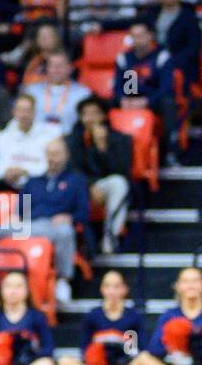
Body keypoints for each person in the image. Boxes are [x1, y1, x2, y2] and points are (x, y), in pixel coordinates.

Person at [15, 138, 90, 303]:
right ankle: (1, 272)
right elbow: (20, 210)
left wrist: (70, 217)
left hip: (55, 226)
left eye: (56, 154)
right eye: (49, 154)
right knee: (0, 229)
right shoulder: (33, 181)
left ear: (66, 155)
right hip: (31, 225)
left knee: (65, 231)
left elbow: (84, 213)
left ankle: (63, 280)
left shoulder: (76, 180)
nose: (52, 158)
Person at [57, 269, 143, 365]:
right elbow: (84, 349)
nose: (112, 291)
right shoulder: (92, 316)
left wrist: (120, 360)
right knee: (64, 362)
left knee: (141, 364)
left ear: (125, 289)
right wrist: (97, 359)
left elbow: (136, 351)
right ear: (102, 289)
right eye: (107, 286)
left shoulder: (133, 317)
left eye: (116, 286)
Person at [128, 266, 202, 365]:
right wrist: (173, 340)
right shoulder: (169, 315)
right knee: (142, 360)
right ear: (178, 286)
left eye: (195, 280)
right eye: (186, 281)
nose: (191, 285)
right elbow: (154, 351)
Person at [69, 98, 132, 252]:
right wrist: (89, 185)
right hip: (80, 186)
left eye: (94, 113)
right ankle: (80, 244)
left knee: (119, 183)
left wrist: (102, 147)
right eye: (85, 114)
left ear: (103, 116)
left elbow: (122, 171)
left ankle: (110, 238)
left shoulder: (121, 139)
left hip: (107, 185)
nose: (90, 118)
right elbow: (71, 169)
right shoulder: (72, 140)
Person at [114, 20, 180, 165]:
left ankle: (170, 150)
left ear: (150, 36)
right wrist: (123, 99)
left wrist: (147, 101)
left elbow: (166, 87)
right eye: (134, 36)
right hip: (133, 97)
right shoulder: (125, 58)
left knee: (168, 103)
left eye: (141, 35)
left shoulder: (162, 56)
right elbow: (121, 87)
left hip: (154, 99)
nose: (138, 40)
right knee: (103, 103)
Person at [23, 51, 92, 135]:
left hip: (68, 140)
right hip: (35, 139)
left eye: (60, 65)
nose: (56, 69)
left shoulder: (83, 93)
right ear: (46, 68)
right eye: (52, 65)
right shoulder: (32, 91)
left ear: (70, 68)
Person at [0, 93, 50, 188]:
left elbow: (47, 167)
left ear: (34, 112)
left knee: (32, 190)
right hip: (7, 184)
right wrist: (7, 172)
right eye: (20, 110)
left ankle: (25, 202)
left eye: (28, 110)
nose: (24, 114)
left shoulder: (46, 136)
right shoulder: (2, 137)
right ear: (13, 112)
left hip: (35, 184)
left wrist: (25, 171)